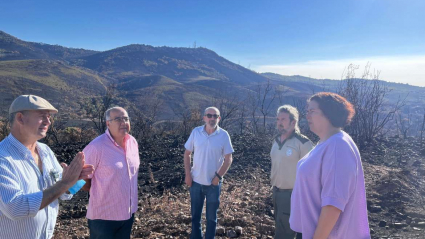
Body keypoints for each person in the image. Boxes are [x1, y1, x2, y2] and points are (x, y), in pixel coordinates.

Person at [0, 94, 94, 239]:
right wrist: (65, 183)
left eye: (49, 117)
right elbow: (15, 208)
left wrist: (73, 180)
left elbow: (61, 193)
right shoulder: (3, 158)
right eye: (42, 116)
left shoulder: (45, 151)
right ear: (20, 118)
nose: (48, 121)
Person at [290, 92, 370, 239]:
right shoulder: (326, 142)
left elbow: (333, 204)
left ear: (329, 114)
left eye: (312, 111)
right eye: (307, 111)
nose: (307, 116)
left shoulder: (338, 145)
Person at [82, 106, 140, 239]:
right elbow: (81, 179)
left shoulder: (133, 143)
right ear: (108, 123)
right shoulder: (96, 147)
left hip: (128, 213)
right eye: (118, 119)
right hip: (104, 218)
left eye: (126, 119)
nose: (123, 122)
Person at [184, 106, 234, 239]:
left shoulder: (224, 135)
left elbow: (228, 159)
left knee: (211, 219)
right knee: (195, 217)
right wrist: (188, 174)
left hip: (214, 183)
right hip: (195, 182)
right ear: (204, 117)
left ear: (219, 118)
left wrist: (218, 177)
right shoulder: (196, 132)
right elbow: (187, 154)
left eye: (215, 116)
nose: (212, 118)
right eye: (209, 115)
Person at [271, 105, 314, 239]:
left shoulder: (303, 143)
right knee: (280, 227)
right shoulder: (276, 140)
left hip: (293, 194)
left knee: (285, 233)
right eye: (278, 119)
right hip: (276, 192)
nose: (279, 122)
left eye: (283, 119)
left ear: (293, 122)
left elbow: (312, 173)